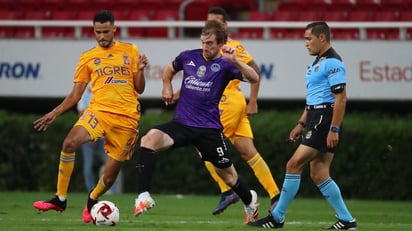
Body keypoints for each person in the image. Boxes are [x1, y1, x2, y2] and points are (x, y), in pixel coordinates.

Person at [133, 20, 260, 223]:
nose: (205, 47)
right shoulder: (188, 56)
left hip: (208, 129)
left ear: (220, 44)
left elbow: (254, 78)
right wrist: (166, 86)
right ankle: (143, 196)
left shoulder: (227, 65)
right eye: (203, 42)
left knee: (228, 176)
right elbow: (168, 71)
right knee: (149, 140)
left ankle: (249, 200)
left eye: (210, 43)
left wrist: (236, 61)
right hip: (182, 124)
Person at [32, 10, 148, 224]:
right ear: (93, 31)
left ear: (114, 29)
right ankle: (60, 198)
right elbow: (76, 94)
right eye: (98, 32)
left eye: (106, 31)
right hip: (98, 111)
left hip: (127, 119)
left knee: (110, 176)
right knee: (69, 143)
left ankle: (92, 198)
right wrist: (54, 113)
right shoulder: (87, 57)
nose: (102, 36)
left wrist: (140, 71)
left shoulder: (130, 50)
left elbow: (139, 88)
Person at [247, 21, 357, 230]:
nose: (305, 43)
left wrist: (334, 128)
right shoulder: (319, 62)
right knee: (319, 173)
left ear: (322, 38)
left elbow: (340, 98)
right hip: (317, 117)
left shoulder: (333, 62)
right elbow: (313, 100)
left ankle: (277, 216)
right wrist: (301, 123)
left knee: (293, 164)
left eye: (309, 38)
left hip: (325, 119)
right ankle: (347, 220)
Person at [199, 6, 280, 216]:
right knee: (248, 151)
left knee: (204, 145)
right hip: (227, 104)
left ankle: (228, 190)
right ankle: (275, 196)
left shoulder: (230, 46)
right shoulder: (207, 49)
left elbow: (255, 70)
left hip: (228, 102)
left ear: (224, 26)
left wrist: (253, 100)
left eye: (216, 23)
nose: (211, 27)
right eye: (208, 23)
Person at [77, 84, 119, 194]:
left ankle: (112, 191)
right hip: (88, 136)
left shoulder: (104, 92)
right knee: (88, 166)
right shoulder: (84, 95)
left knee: (109, 165)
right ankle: (91, 191)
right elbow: (82, 115)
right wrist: (89, 135)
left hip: (103, 137)